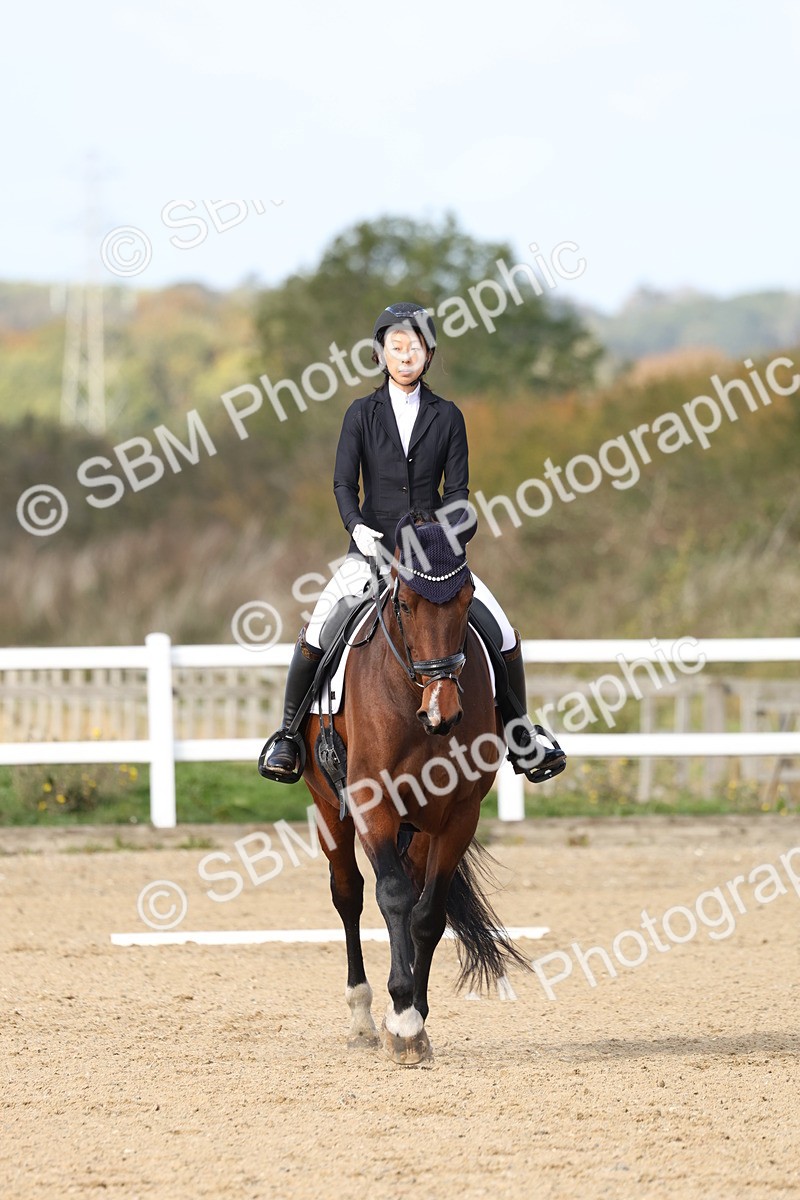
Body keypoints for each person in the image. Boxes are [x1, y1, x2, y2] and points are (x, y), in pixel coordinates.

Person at [259, 302, 566, 783]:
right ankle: (288, 736)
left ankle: (521, 735)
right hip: (372, 547)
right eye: (396, 348)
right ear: (381, 353)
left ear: (428, 354)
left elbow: (458, 492)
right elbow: (344, 484)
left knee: (501, 630)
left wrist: (448, 535)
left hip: (433, 554)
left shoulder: (448, 416)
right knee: (322, 625)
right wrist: (356, 524)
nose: (405, 356)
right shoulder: (361, 413)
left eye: (415, 348)